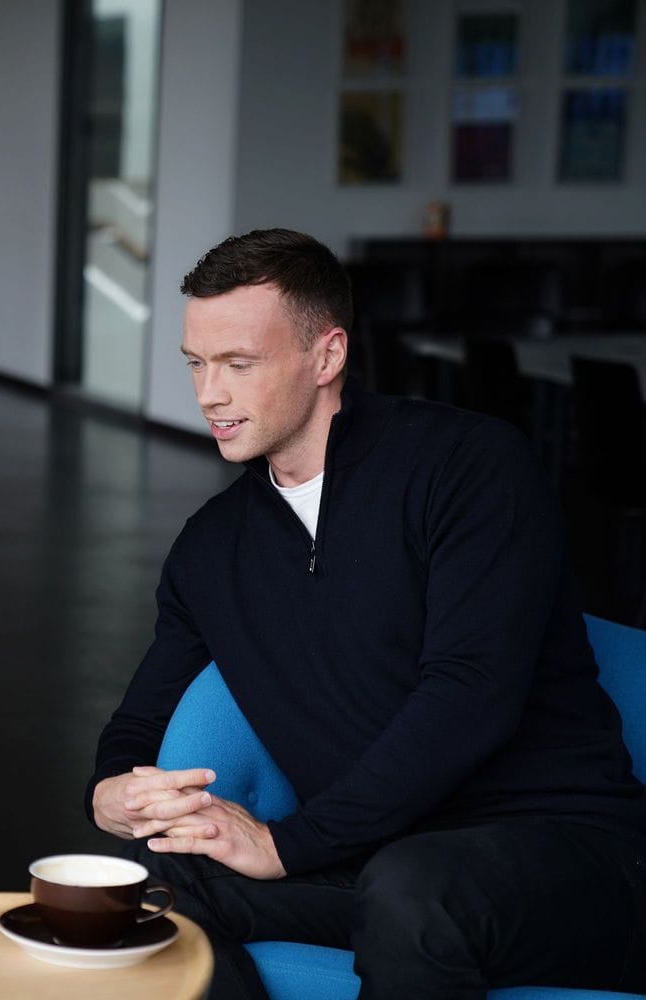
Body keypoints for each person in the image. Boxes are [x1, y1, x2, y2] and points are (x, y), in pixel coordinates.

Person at [86, 229, 646, 999]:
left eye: (239, 364)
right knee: (143, 882)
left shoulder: (469, 466)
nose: (209, 393)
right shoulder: (212, 550)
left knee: (413, 887)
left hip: (564, 857)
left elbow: (471, 691)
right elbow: (140, 724)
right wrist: (111, 793)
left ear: (327, 356)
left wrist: (290, 843)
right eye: (196, 363)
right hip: (373, 859)